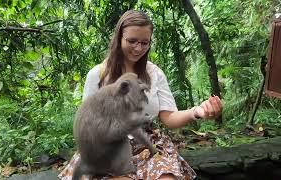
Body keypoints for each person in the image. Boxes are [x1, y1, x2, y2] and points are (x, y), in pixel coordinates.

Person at [58, 10, 222, 180]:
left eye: (145, 43)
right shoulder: (97, 75)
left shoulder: (154, 73)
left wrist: (197, 112)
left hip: (149, 142)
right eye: (132, 41)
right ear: (119, 37)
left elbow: (168, 117)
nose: (138, 48)